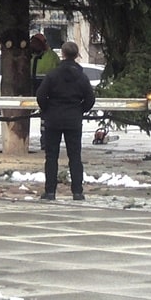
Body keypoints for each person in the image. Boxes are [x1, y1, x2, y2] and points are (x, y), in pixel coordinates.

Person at [35, 40, 97, 200]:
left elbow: (41, 95)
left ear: (62, 54)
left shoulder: (53, 75)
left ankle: (50, 191)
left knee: (51, 156)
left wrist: (48, 109)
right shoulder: (82, 77)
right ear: (76, 55)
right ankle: (77, 191)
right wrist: (79, 110)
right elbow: (90, 99)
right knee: (75, 156)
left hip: (53, 119)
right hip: (73, 120)